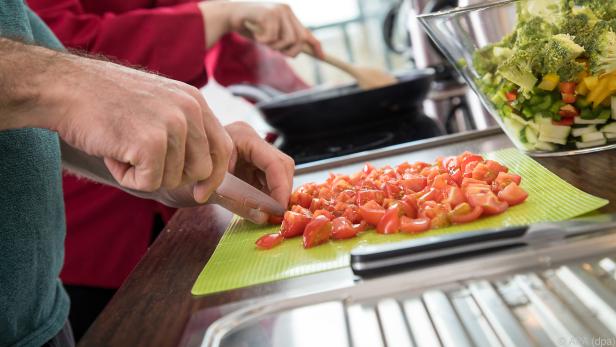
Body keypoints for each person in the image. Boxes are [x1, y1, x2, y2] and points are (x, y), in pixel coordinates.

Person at [0, 1, 297, 346]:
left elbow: (48, 107)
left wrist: (187, 161)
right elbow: (58, 82)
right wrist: (65, 82)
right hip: (93, 255)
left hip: (43, 318)